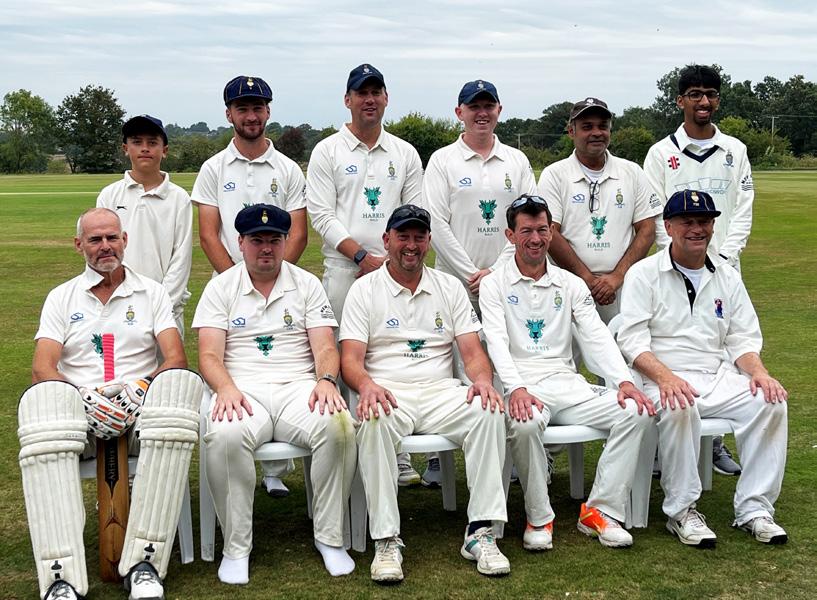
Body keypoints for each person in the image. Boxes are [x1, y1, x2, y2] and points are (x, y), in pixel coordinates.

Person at [21, 207, 199, 600]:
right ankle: (60, 578)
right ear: (78, 245)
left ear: (124, 240)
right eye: (95, 239)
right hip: (79, 415)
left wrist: (141, 388)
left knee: (175, 404)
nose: (105, 246)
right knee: (43, 418)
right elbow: (42, 368)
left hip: (139, 409)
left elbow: (175, 359)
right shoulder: (62, 297)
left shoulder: (151, 293)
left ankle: (145, 563)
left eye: (112, 237)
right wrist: (81, 397)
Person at [340, 204, 510, 582]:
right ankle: (387, 539)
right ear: (387, 240)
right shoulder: (364, 289)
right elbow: (350, 359)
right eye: (403, 236)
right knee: (372, 418)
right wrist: (367, 386)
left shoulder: (449, 287)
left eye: (419, 237)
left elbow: (472, 353)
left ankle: (480, 532)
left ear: (429, 241)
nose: (411, 245)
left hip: (441, 391)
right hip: (388, 392)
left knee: (489, 410)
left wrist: (483, 381)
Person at [479, 194, 654, 551]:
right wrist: (516, 388)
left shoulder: (570, 284)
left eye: (542, 230)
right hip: (523, 387)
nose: (536, 239)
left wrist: (623, 381)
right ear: (510, 235)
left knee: (636, 410)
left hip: (568, 386)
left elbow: (596, 334)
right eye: (526, 231)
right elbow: (496, 341)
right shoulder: (493, 284)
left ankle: (600, 511)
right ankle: (539, 517)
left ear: (551, 232)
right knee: (525, 423)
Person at [193, 204, 357, 584]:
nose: (266, 248)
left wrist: (326, 380)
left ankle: (330, 538)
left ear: (285, 242)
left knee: (339, 426)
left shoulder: (306, 284)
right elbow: (209, 355)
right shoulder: (221, 287)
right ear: (240, 242)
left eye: (274, 240)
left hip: (298, 387)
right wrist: (226, 388)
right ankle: (236, 548)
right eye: (257, 240)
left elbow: (325, 347)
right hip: (242, 389)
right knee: (226, 435)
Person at [617, 189, 788, 548]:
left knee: (770, 401)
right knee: (680, 403)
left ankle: (755, 509)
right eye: (687, 222)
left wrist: (758, 372)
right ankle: (682, 511)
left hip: (716, 375)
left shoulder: (726, 275)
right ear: (668, 227)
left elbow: (741, 338)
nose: (697, 229)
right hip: (660, 377)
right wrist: (666, 378)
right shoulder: (644, 274)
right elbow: (631, 340)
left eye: (704, 222)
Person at [307, 63, 424, 486]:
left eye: (376, 92)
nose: (369, 99)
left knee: (392, 354)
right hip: (344, 269)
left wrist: (389, 260)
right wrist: (360, 257)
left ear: (386, 98)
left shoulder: (404, 152)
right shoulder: (328, 151)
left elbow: (415, 210)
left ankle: (396, 450)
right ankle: (346, 450)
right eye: (362, 93)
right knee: (343, 358)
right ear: (348, 100)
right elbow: (322, 214)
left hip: (398, 269)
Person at [193, 75, 308, 495]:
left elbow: (297, 233)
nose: (251, 115)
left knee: (283, 364)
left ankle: (275, 470)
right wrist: (239, 280)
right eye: (242, 108)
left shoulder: (288, 168)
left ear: (268, 111)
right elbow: (209, 234)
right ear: (229, 114)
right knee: (238, 371)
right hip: (228, 289)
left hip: (282, 284)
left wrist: (274, 278)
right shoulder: (213, 168)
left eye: (258, 107)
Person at [421, 79, 537, 486]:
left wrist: (497, 271)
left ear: (499, 110)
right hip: (454, 284)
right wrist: (471, 273)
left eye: (488, 106)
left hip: (507, 281)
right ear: (460, 112)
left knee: (507, 359)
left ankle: (513, 449)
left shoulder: (516, 161)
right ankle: (439, 457)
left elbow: (528, 220)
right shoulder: (442, 161)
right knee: (451, 362)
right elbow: (436, 222)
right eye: (474, 107)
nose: (481, 113)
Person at [643, 64, 752, 475]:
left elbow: (742, 210)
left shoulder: (734, 150)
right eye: (695, 94)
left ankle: (714, 444)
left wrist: (722, 259)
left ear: (717, 100)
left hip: (723, 269)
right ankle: (661, 446)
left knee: (720, 350)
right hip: (674, 267)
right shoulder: (661, 153)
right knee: (670, 348)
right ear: (680, 100)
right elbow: (656, 213)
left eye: (710, 94)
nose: (703, 102)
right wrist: (675, 256)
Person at [537, 98, 661, 324]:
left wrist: (617, 276)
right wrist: (586, 278)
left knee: (623, 346)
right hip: (569, 286)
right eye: (587, 127)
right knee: (566, 348)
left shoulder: (632, 172)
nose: (596, 133)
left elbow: (647, 229)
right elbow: (550, 231)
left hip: (622, 288)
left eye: (603, 126)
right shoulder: (554, 175)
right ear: (571, 131)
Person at [97, 115, 192, 334]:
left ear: (164, 150)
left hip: (166, 311)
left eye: (152, 142)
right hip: (118, 305)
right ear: (125, 148)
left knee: (168, 358)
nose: (145, 148)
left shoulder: (179, 198)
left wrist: (162, 306)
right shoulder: (109, 195)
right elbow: (101, 252)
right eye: (137, 142)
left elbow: (181, 258)